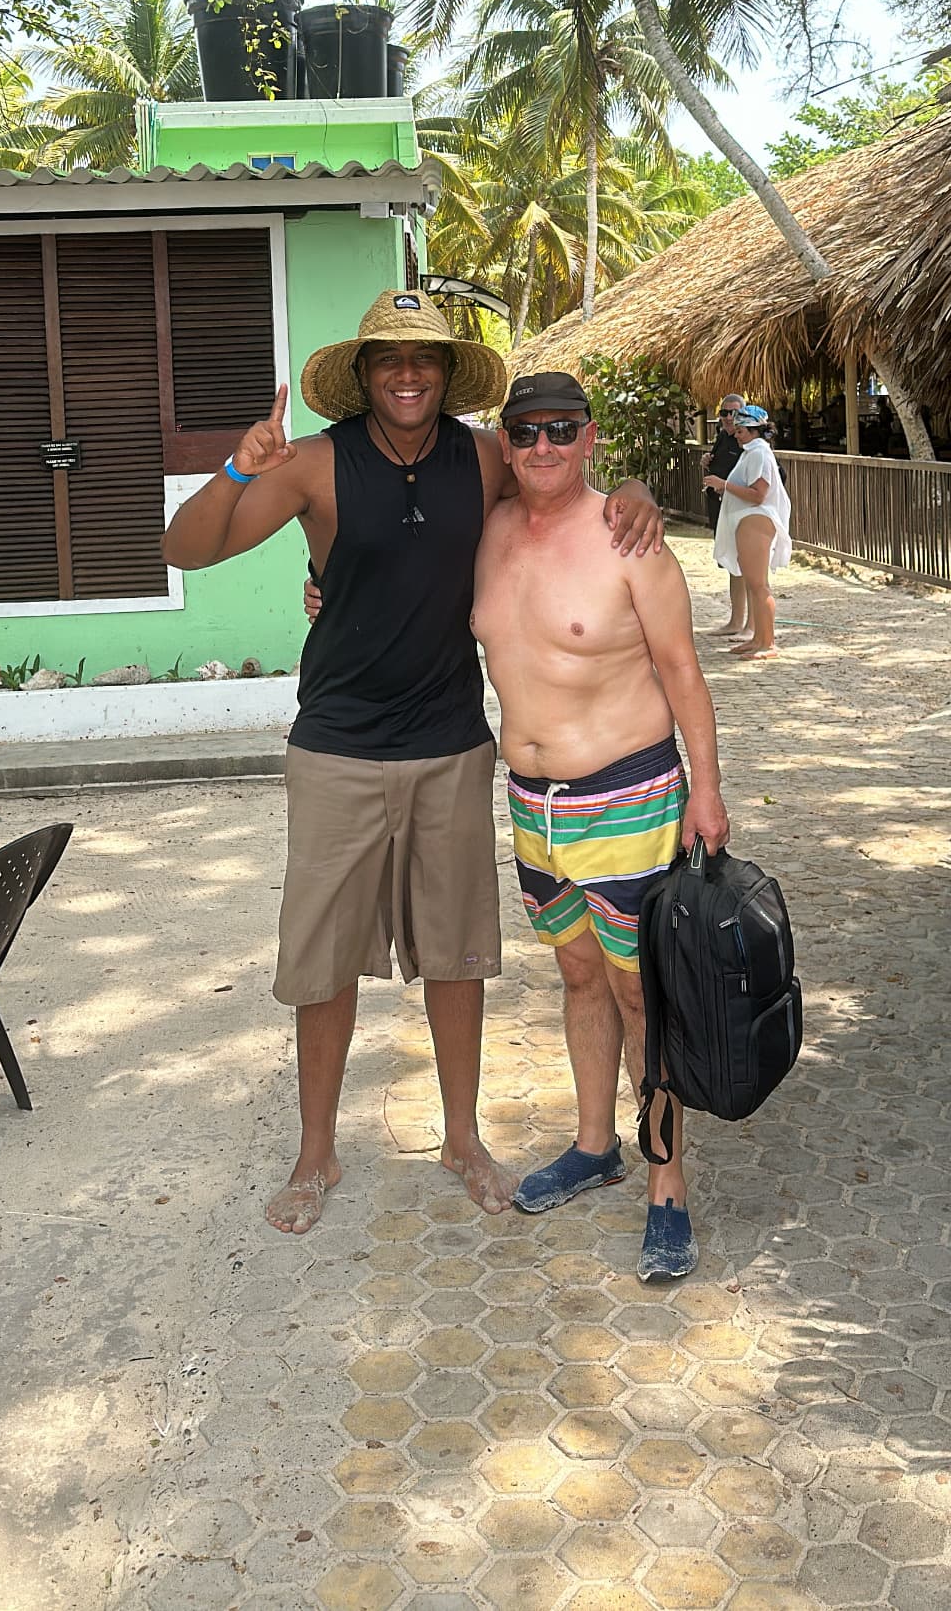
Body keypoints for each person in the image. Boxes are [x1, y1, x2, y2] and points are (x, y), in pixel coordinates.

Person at [161, 291, 662, 1237]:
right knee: (322, 964)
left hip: (449, 745)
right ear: (363, 371)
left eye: (423, 358)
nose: (406, 372)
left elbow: (567, 492)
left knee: (456, 955)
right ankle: (317, 1153)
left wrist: (639, 492)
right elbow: (189, 548)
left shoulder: (482, 457)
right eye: (388, 357)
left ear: (446, 374)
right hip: (337, 749)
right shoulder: (314, 464)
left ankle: (463, 1138)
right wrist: (238, 465)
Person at [471, 371, 730, 1283]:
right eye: (526, 433)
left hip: (628, 796)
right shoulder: (489, 532)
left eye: (561, 431)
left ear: (590, 440)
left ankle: (669, 1187)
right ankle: (594, 1144)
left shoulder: (631, 538)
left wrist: (707, 790)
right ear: (506, 444)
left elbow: (684, 671)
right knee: (577, 975)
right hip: (532, 806)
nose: (543, 447)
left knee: (640, 995)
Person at [707, 401, 791, 659]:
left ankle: (767, 643)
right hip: (746, 520)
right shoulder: (751, 451)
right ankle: (757, 639)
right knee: (754, 584)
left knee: (758, 585)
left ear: (754, 430)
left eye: (741, 430)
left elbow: (758, 494)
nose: (737, 434)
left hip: (756, 519)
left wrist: (723, 485)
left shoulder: (758, 453)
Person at [703, 393, 749, 638]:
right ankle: (736, 620)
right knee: (732, 565)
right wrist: (707, 462)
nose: (729, 419)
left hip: (741, 512)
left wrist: (725, 485)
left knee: (745, 567)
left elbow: (762, 485)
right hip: (721, 509)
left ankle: (750, 624)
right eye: (724, 413)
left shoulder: (752, 447)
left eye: (734, 413)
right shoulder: (723, 437)